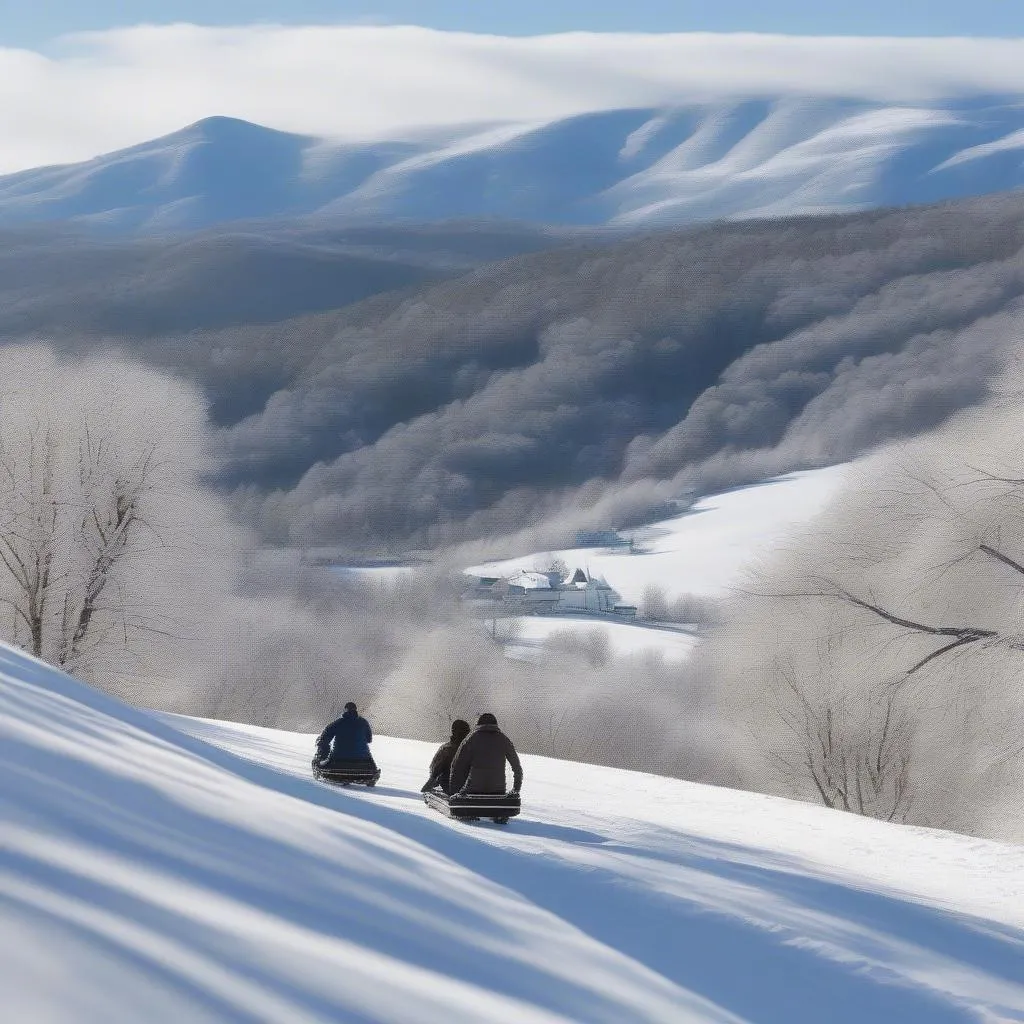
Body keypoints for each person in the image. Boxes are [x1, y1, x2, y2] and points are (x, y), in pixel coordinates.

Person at [448, 713, 523, 796]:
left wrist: (454, 791)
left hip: (473, 790)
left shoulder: (471, 739)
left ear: (478, 724)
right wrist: (516, 789)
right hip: (498, 791)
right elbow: (517, 768)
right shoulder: (504, 739)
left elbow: (457, 766)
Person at [421, 719, 472, 794]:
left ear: (453, 731)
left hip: (448, 787)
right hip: (469, 788)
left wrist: (430, 784)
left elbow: (434, 769)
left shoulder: (446, 749)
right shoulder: (473, 749)